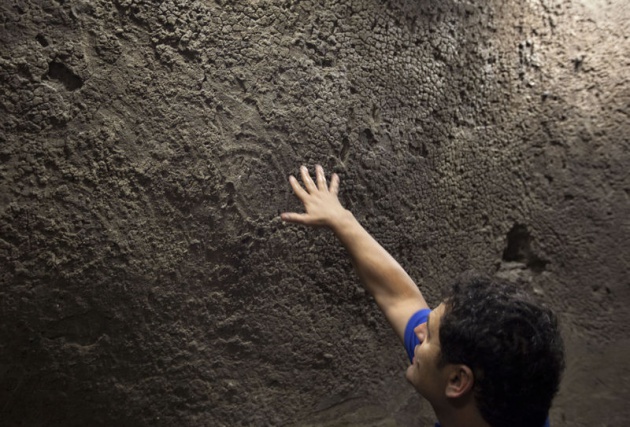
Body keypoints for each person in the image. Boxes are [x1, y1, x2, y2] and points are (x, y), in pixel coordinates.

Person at [280, 165, 565, 427]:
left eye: (428, 334)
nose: (418, 329)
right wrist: (341, 219)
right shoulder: (516, 403)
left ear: (457, 380)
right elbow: (398, 296)